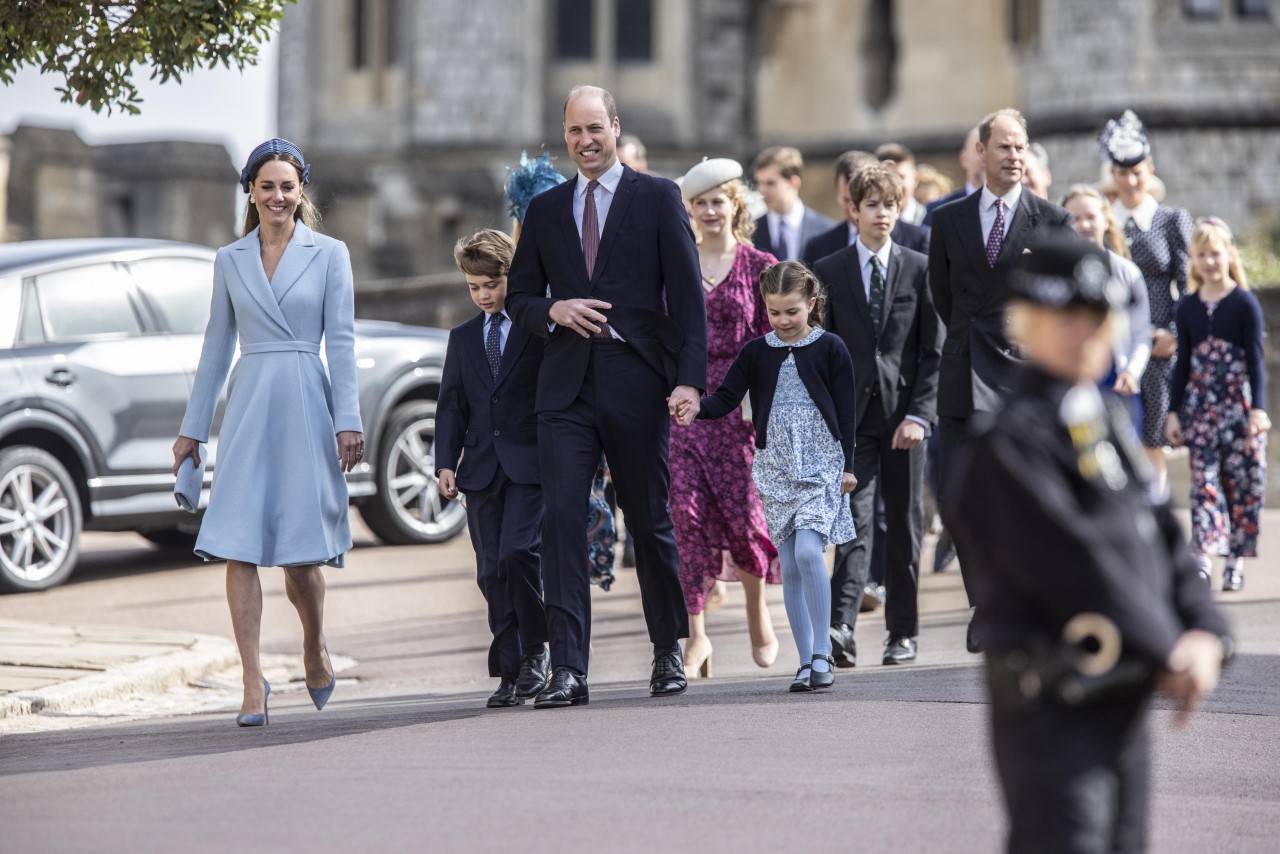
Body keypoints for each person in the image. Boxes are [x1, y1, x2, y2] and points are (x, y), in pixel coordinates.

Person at [948, 238, 1230, 853]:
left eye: (1097, 317)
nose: (1085, 332)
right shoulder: (1007, 444)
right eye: (1065, 318)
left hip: (1121, 695)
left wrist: (1208, 630)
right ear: (1026, 323)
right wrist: (1173, 647)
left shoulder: (1098, 416)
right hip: (1053, 706)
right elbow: (1076, 562)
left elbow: (1161, 536)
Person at [504, 85, 707, 708]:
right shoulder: (544, 212)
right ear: (564, 136)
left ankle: (667, 648)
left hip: (638, 379)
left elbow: (689, 300)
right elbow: (518, 299)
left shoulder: (659, 197)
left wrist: (688, 379)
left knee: (648, 519)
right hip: (564, 387)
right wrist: (553, 309)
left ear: (615, 127)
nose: (585, 142)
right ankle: (570, 668)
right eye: (574, 132)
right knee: (563, 522)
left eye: (595, 128)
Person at [171, 138, 360, 726]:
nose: (277, 195)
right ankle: (253, 682)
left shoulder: (330, 254)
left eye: (288, 185)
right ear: (250, 191)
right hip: (250, 405)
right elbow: (215, 347)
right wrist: (192, 429)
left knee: (302, 563)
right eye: (266, 185)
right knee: (237, 545)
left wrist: (348, 419)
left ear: (302, 190)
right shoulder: (230, 259)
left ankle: (312, 644)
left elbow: (344, 342)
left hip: (306, 400)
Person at [928, 108, 1075, 653]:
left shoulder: (1053, 220)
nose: (1015, 157)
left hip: (1022, 379)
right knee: (958, 496)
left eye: (1022, 148)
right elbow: (943, 299)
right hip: (964, 374)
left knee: (1028, 494)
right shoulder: (948, 220)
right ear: (981, 153)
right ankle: (985, 602)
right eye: (1005, 147)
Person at [677, 261, 857, 692]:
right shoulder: (757, 351)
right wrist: (697, 406)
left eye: (792, 311)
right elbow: (725, 397)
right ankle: (804, 660)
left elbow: (848, 412)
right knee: (792, 564)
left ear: (811, 304)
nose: (783, 320)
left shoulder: (831, 347)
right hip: (776, 466)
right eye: (774, 312)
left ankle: (822, 653)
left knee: (811, 554)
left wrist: (849, 466)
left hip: (821, 462)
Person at [814, 165, 942, 666]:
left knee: (906, 528)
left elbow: (933, 352)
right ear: (853, 209)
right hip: (853, 422)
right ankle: (840, 627)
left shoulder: (919, 267)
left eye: (890, 205)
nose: (882, 214)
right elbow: (819, 350)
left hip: (905, 421)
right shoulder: (829, 268)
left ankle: (902, 633)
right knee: (852, 522)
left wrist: (920, 416)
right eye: (872, 205)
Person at [673, 158, 781, 677]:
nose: (711, 210)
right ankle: (695, 636)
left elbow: (773, 346)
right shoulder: (675, 265)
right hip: (685, 409)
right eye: (701, 203)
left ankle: (758, 610)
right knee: (685, 519)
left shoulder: (760, 265)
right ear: (689, 210)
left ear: (735, 204)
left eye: (719, 200)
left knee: (744, 521)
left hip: (739, 413)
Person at [435, 229, 550, 708]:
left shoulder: (536, 327)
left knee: (517, 554)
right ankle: (509, 669)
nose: (483, 295)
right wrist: (445, 462)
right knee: (489, 572)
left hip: (530, 464)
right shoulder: (462, 338)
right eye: (473, 287)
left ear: (511, 276)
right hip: (479, 470)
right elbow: (451, 405)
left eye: (492, 284)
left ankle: (537, 651)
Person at [1166, 218, 1270, 592]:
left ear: (1228, 255)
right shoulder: (1188, 307)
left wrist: (1258, 409)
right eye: (1202, 254)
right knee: (1204, 482)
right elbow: (1183, 363)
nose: (1209, 261)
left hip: (1237, 407)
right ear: (1192, 260)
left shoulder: (1244, 304)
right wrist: (1174, 411)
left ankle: (1236, 559)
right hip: (1202, 407)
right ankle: (1204, 557)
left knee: (1240, 483)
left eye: (1215, 253)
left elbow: (1256, 361)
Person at [1100, 109, 1193, 493]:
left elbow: (1188, 285)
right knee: (1108, 440)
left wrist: (1174, 332)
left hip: (1157, 347)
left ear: (1149, 168)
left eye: (1136, 170)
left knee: (1152, 444)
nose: (1130, 180)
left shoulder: (1172, 220)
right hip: (1110, 343)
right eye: (1121, 172)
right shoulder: (1104, 220)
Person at [1061, 184, 1151, 423]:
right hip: (1072, 387)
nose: (1084, 225)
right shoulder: (1058, 275)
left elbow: (1142, 332)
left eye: (1091, 217)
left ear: (1105, 220)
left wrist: (1132, 371)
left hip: (1117, 384)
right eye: (1075, 218)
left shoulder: (1126, 272)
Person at [802, 151, 931, 264]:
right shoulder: (819, 247)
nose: (880, 213)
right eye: (847, 200)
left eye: (886, 204)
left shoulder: (919, 240)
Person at [750, 146, 835, 261]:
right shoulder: (750, 231)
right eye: (759, 183)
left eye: (770, 183)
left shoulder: (827, 230)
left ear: (793, 183)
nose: (762, 190)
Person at [922, 125, 983, 226]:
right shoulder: (939, 210)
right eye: (980, 150)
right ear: (964, 158)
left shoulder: (1013, 207)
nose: (986, 158)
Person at [875, 142, 926, 225]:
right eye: (887, 177)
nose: (895, 185)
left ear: (915, 179)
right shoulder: (868, 225)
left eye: (901, 177)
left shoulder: (931, 220)